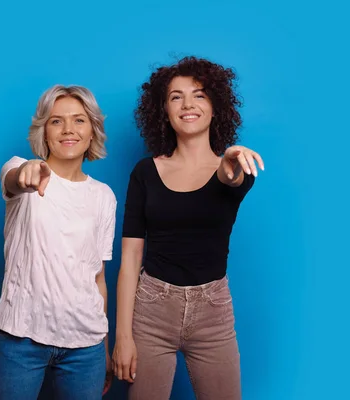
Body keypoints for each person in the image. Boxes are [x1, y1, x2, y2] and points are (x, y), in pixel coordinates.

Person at [112, 56, 265, 400]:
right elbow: (130, 260)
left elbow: (231, 178)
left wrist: (230, 160)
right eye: (176, 97)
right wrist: (123, 336)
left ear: (215, 107)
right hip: (151, 311)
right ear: (163, 110)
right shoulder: (144, 173)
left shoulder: (234, 166)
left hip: (213, 314)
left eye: (199, 94)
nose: (188, 104)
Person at [0, 85, 116, 400]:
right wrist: (26, 171)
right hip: (22, 340)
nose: (68, 129)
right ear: (44, 131)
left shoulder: (103, 196)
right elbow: (14, 180)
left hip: (86, 348)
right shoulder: (23, 172)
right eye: (57, 121)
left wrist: (105, 345)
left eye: (79, 120)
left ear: (92, 131)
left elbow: (98, 277)